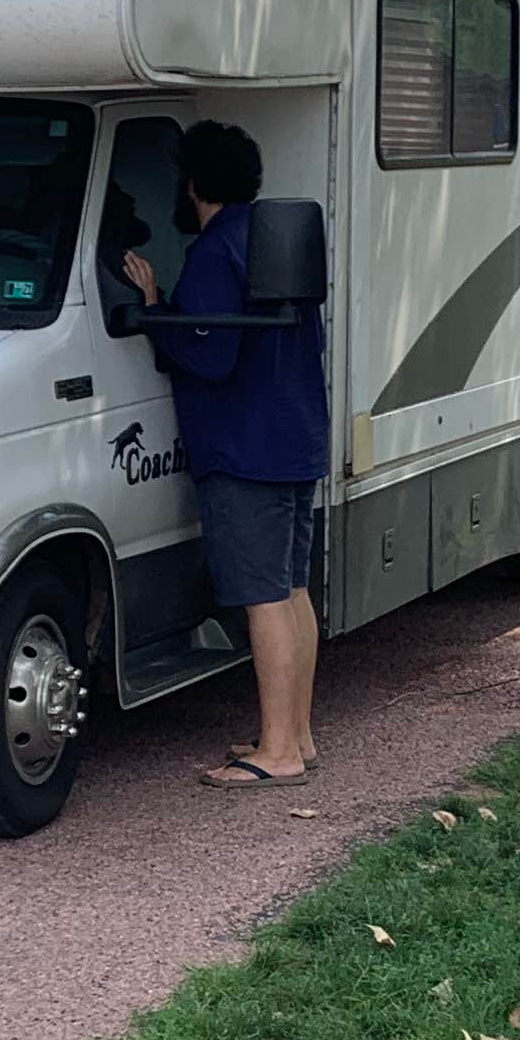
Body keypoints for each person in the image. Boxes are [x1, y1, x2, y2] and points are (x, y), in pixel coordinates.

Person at [119, 120, 328, 787]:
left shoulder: (213, 252)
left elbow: (210, 355)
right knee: (291, 590)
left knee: (261, 599)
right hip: (295, 436)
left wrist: (153, 309)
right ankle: (296, 734)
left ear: (192, 183)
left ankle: (277, 754)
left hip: (243, 448)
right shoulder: (273, 244)